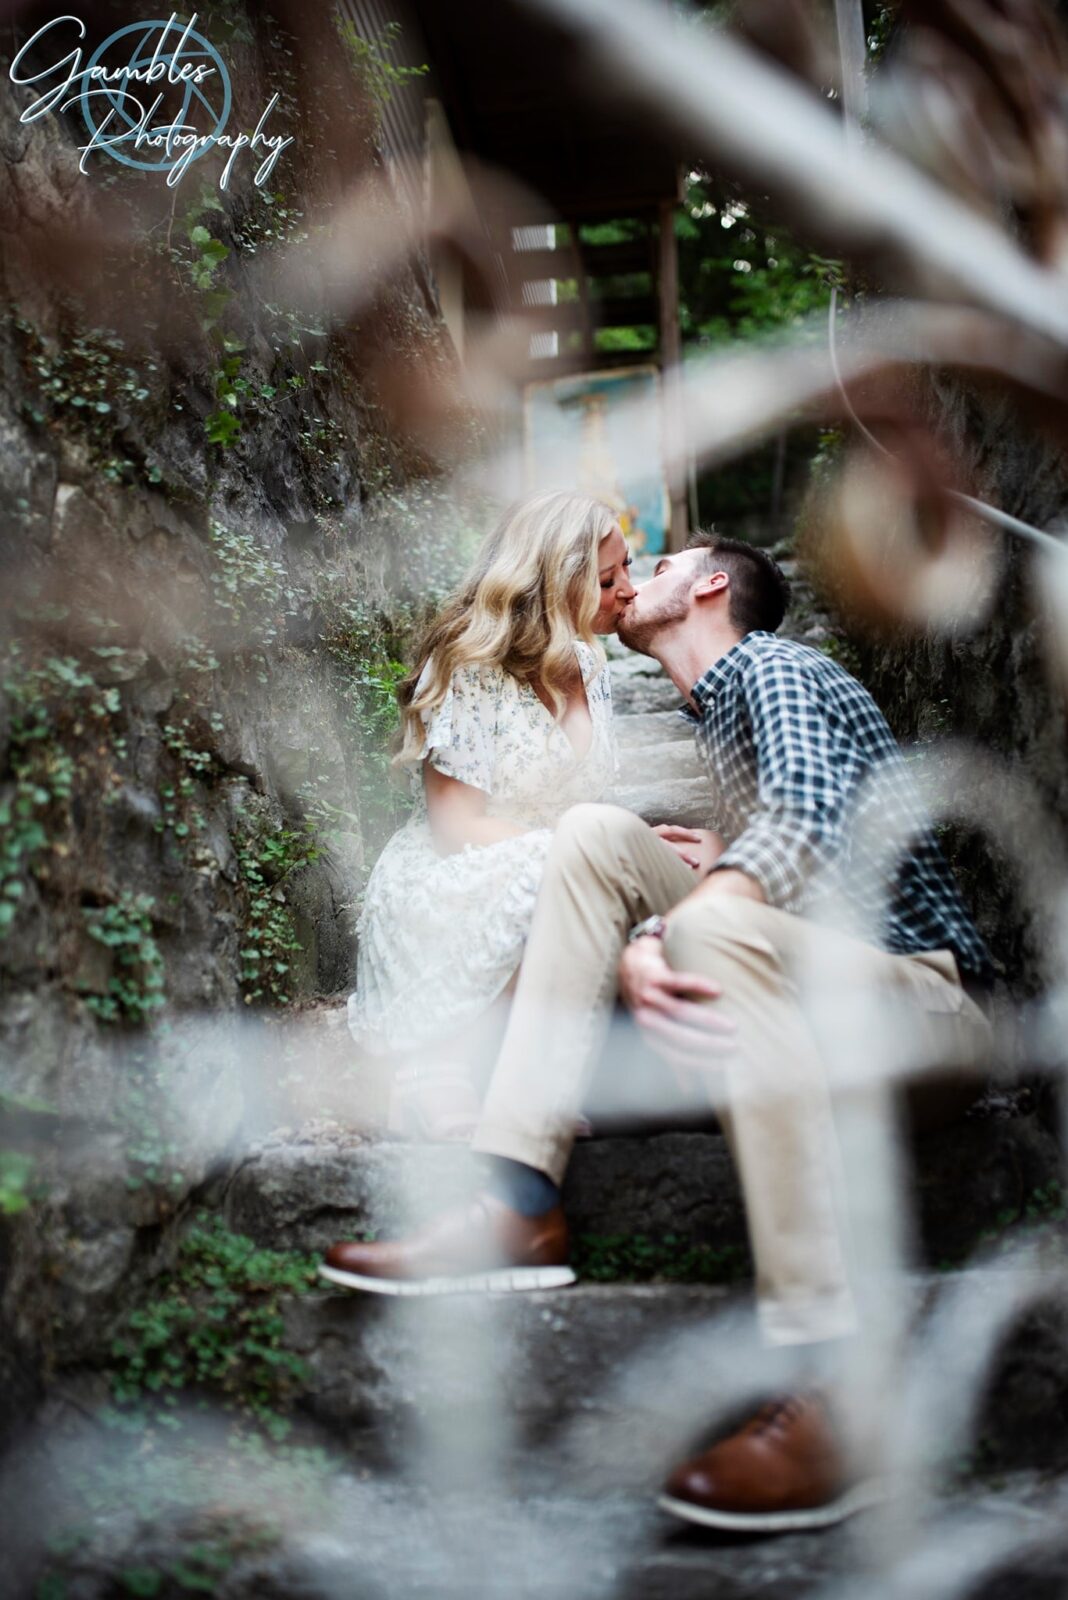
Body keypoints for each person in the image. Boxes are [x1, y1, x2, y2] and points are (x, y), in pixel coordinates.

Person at [324, 533, 994, 1533]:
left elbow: (806, 813)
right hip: (809, 1001)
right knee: (594, 836)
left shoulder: (766, 666)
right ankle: (519, 1196)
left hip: (922, 1009)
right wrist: (684, 902)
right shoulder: (714, 721)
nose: (632, 580)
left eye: (662, 561)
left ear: (711, 584)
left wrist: (669, 927)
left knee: (708, 919)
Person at [347, 490, 636, 1140]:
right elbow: (455, 826)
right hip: (458, 872)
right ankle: (434, 1077)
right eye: (610, 577)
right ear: (557, 581)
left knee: (592, 865)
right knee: (564, 865)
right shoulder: (470, 665)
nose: (629, 591)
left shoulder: (593, 666)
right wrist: (568, 853)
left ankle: (527, 1083)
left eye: (628, 573)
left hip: (553, 866)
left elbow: (594, 805)